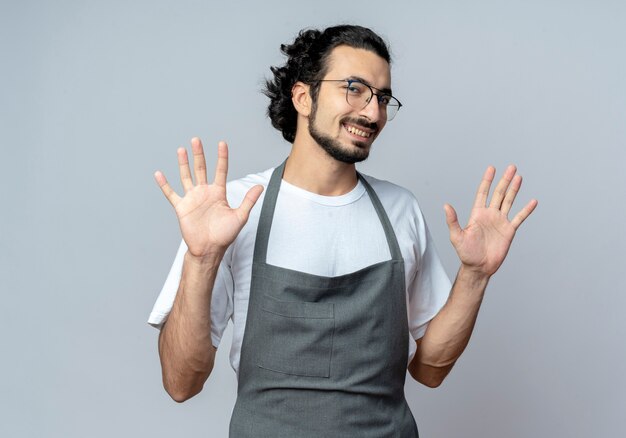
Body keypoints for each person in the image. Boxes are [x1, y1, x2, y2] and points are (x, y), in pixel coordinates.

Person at [148, 24, 537, 437]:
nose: (373, 113)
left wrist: (475, 276)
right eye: (354, 88)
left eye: (382, 97)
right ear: (303, 96)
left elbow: (430, 370)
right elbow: (180, 383)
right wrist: (202, 258)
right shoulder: (233, 211)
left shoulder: (400, 210)